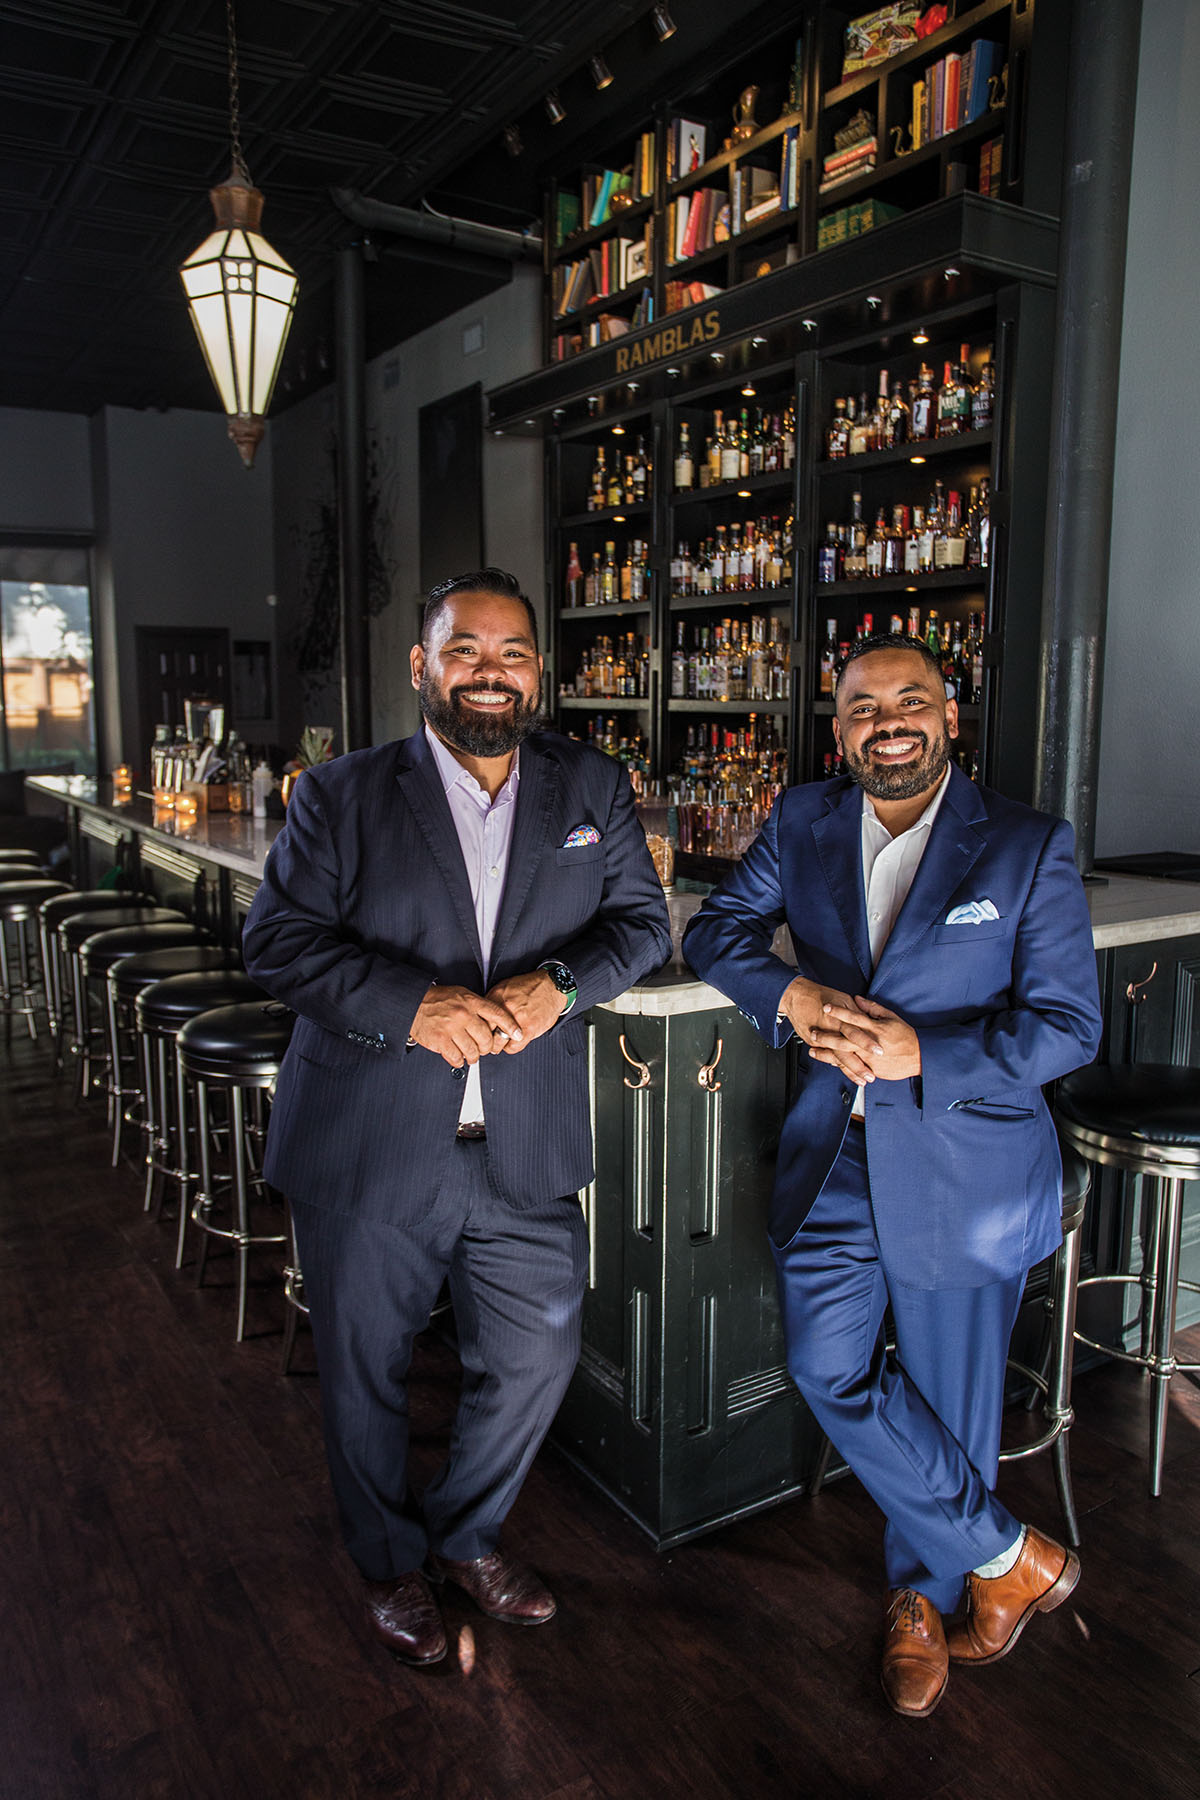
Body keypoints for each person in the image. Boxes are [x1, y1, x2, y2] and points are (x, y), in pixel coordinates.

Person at [243, 569, 671, 1666]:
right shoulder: (341, 792)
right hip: (371, 1137)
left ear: (539, 668)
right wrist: (410, 1007)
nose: (491, 669)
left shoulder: (592, 785)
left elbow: (639, 927)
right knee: (365, 1368)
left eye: (512, 651)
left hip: (523, 1144)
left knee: (536, 1356)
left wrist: (562, 987)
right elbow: (277, 943)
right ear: (422, 665)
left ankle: (466, 1534)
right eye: (466, 649)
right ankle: (389, 1564)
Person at [682, 634, 1101, 1718]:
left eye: (911, 700)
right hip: (835, 1155)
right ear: (840, 730)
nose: (889, 722)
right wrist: (791, 999)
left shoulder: (1024, 845)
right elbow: (718, 931)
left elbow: (1067, 1027)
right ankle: (1009, 1554)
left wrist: (927, 1054)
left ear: (950, 716)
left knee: (948, 1403)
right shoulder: (804, 822)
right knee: (829, 1367)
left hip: (963, 1163)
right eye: (864, 707)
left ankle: (926, 1599)